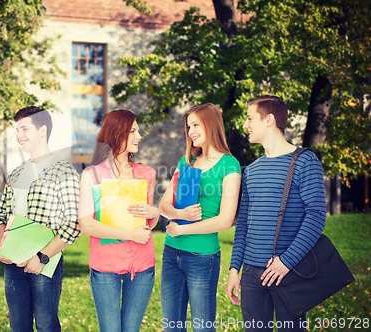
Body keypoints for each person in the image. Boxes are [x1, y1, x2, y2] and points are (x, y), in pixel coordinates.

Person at [226, 95, 326, 331]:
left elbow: (316, 216)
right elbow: (244, 225)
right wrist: (234, 269)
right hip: (251, 275)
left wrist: (286, 262)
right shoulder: (250, 171)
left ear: (269, 119)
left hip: (288, 272)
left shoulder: (305, 161)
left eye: (250, 118)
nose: (245, 125)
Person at [0, 106, 80, 332]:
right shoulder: (16, 172)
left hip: (44, 264)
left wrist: (41, 257)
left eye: (24, 129)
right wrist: (5, 245)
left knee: (46, 325)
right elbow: (0, 216)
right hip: (13, 265)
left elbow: (73, 224)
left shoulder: (63, 171)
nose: (19, 135)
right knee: (18, 326)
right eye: (17, 129)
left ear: (42, 130)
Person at [159, 104, 241, 332]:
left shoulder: (229, 165)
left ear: (211, 124)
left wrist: (183, 229)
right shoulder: (186, 162)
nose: (191, 131)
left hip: (202, 257)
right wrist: (180, 215)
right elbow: (164, 204)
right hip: (171, 253)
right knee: (172, 327)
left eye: (196, 125)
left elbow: (226, 220)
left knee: (203, 327)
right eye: (188, 126)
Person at [77, 109, 160, 332]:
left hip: (142, 266)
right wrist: (129, 235)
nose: (139, 136)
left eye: (138, 131)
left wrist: (155, 213)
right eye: (133, 131)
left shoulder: (146, 173)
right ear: (117, 133)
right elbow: (85, 224)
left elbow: (148, 222)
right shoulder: (92, 175)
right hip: (106, 267)